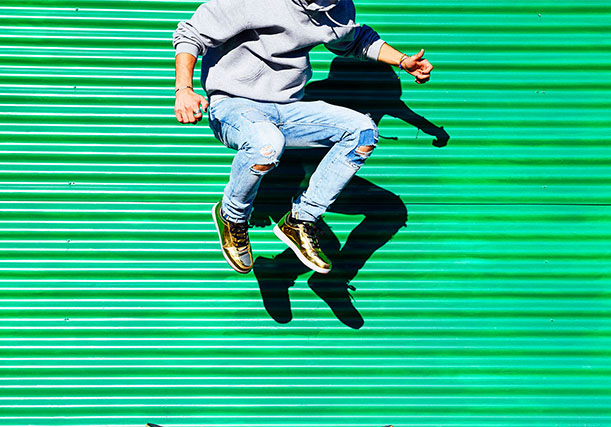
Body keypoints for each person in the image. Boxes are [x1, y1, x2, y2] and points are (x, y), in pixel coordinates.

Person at [172, 0, 433, 274]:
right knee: (267, 144)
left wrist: (403, 61)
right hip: (234, 104)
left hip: (287, 108)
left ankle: (301, 219)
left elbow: (356, 39)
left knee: (362, 130)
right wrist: (184, 90)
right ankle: (232, 216)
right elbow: (191, 33)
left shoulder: (337, 8)